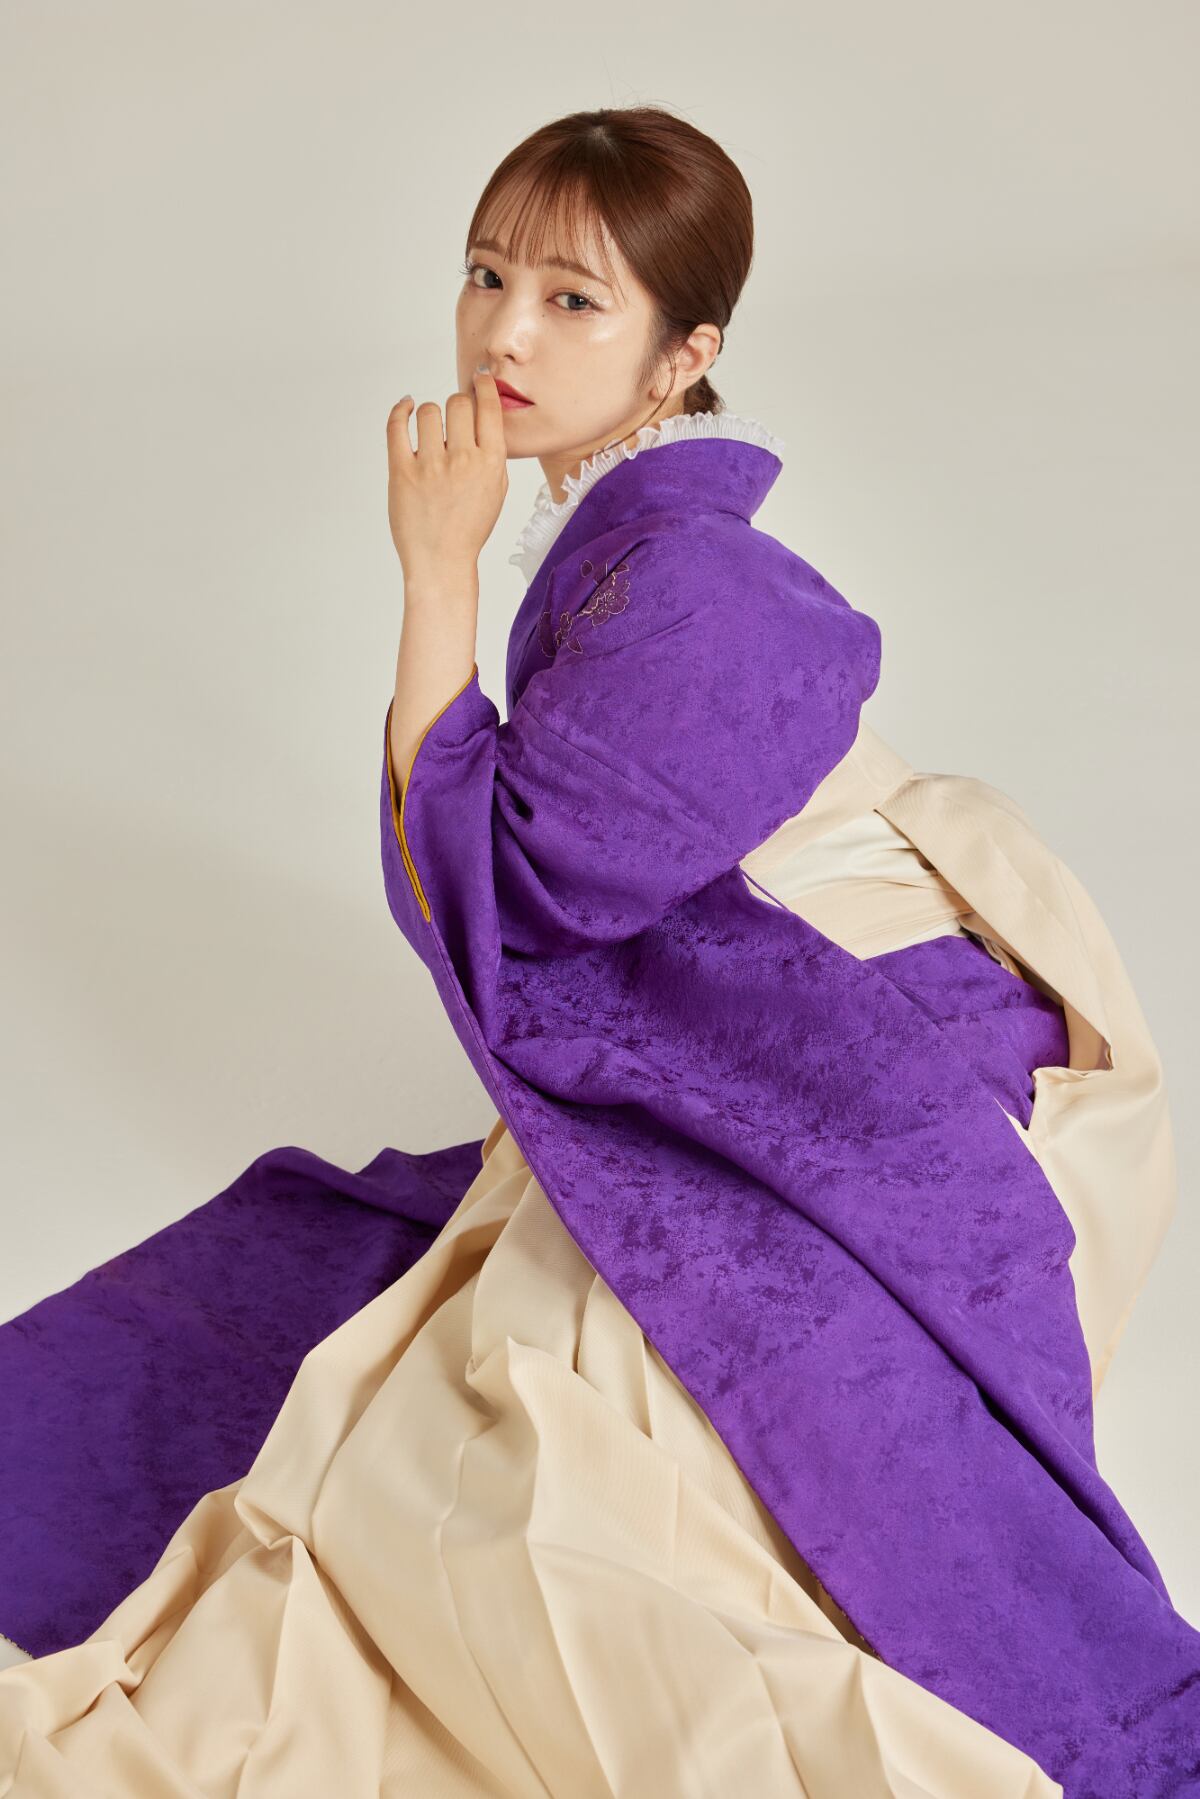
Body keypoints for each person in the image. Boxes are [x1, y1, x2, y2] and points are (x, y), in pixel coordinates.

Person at [0, 105, 1195, 1798]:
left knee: (534, 1457)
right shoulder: (619, 538)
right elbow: (504, 879)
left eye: (574, 300)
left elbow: (502, 901)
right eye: (487, 275)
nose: (503, 333)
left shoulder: (704, 581)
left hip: (896, 1050)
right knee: (447, 1374)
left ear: (683, 356)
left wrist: (434, 572)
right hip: (801, 992)